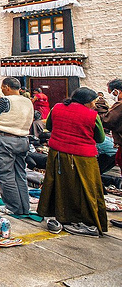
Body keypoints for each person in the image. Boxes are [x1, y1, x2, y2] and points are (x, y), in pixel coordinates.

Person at [38, 87, 107, 236]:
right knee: (86, 189)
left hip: (58, 153)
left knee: (60, 185)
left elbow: (49, 126)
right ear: (86, 101)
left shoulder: (57, 108)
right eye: (93, 102)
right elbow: (100, 138)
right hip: (83, 157)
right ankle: (89, 223)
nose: (94, 105)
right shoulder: (91, 115)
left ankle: (61, 215)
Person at [0, 77, 34, 216]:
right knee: (20, 173)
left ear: (7, 87)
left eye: (2, 87)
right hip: (23, 139)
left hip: (5, 139)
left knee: (5, 174)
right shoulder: (28, 101)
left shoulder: (6, 101)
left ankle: (13, 207)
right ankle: (24, 206)